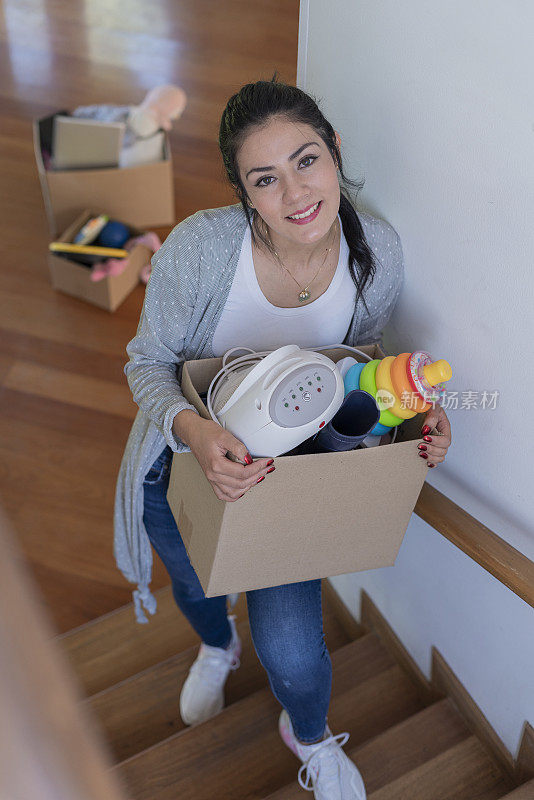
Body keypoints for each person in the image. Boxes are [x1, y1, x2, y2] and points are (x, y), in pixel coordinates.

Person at [113, 75, 452, 799]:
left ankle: (309, 733)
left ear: (333, 150)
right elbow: (146, 363)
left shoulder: (377, 252)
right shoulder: (202, 251)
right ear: (242, 191)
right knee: (195, 581)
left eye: (306, 160)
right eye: (265, 179)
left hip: (286, 482)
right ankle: (216, 643)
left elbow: (358, 368)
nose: (296, 194)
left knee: (296, 655)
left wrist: (413, 414)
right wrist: (195, 432)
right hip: (181, 463)